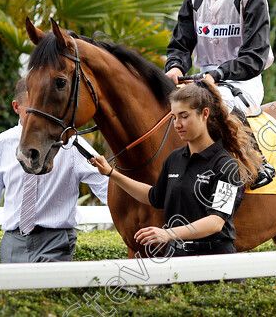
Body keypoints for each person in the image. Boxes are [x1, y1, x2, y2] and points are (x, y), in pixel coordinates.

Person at [163, 0, 276, 189]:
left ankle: (256, 162)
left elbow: (254, 57)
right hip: (202, 81)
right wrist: (175, 67)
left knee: (219, 99)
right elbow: (180, 45)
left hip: (241, 82)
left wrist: (218, 74)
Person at [89, 79, 254, 258]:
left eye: (184, 116)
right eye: (174, 117)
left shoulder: (226, 165)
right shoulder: (174, 158)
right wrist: (111, 173)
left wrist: (167, 234)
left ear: (204, 114)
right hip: (176, 257)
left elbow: (216, 222)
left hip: (214, 262)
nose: (177, 124)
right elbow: (153, 196)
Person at [0, 78, 109, 263]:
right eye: (32, 106)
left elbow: (108, 187)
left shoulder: (72, 145)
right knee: (11, 293)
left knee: (48, 291)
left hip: (56, 241)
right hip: (12, 242)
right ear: (16, 107)